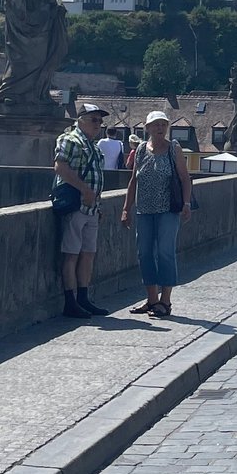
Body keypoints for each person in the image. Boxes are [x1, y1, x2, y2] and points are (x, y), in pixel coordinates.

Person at [121, 110, 195, 318]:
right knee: (144, 253)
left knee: (165, 252)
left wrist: (186, 203)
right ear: (148, 128)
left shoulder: (173, 148)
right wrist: (127, 208)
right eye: (156, 125)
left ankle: (166, 301)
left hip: (167, 210)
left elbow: (184, 178)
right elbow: (133, 180)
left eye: (163, 124)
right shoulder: (142, 149)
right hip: (144, 210)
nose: (160, 128)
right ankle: (152, 299)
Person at [53, 104, 110, 319]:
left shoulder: (94, 146)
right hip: (75, 205)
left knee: (87, 254)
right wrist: (84, 190)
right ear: (81, 120)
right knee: (71, 254)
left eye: (100, 121)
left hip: (91, 208)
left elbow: (97, 178)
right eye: (94, 120)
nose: (99, 124)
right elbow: (60, 167)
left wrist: (98, 204)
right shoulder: (69, 140)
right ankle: (70, 301)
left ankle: (83, 298)